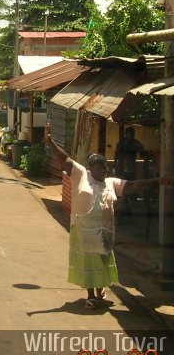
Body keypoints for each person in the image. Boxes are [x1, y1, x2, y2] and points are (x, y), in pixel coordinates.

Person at [44, 123, 170, 310]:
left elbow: (134, 186)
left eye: (105, 166)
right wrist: (50, 142)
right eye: (99, 166)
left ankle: (100, 289)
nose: (104, 169)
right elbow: (65, 159)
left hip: (104, 234)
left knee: (102, 262)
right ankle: (91, 296)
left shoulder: (111, 183)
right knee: (89, 263)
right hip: (83, 232)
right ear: (90, 167)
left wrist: (157, 181)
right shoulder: (81, 175)